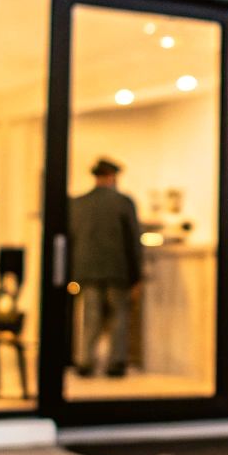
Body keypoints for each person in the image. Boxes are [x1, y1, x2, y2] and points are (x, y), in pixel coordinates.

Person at [69, 157, 144, 377]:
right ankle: (115, 362)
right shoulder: (123, 202)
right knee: (118, 317)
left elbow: (72, 238)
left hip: (87, 270)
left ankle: (85, 360)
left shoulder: (79, 203)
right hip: (117, 270)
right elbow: (133, 240)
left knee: (90, 317)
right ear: (112, 176)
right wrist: (136, 275)